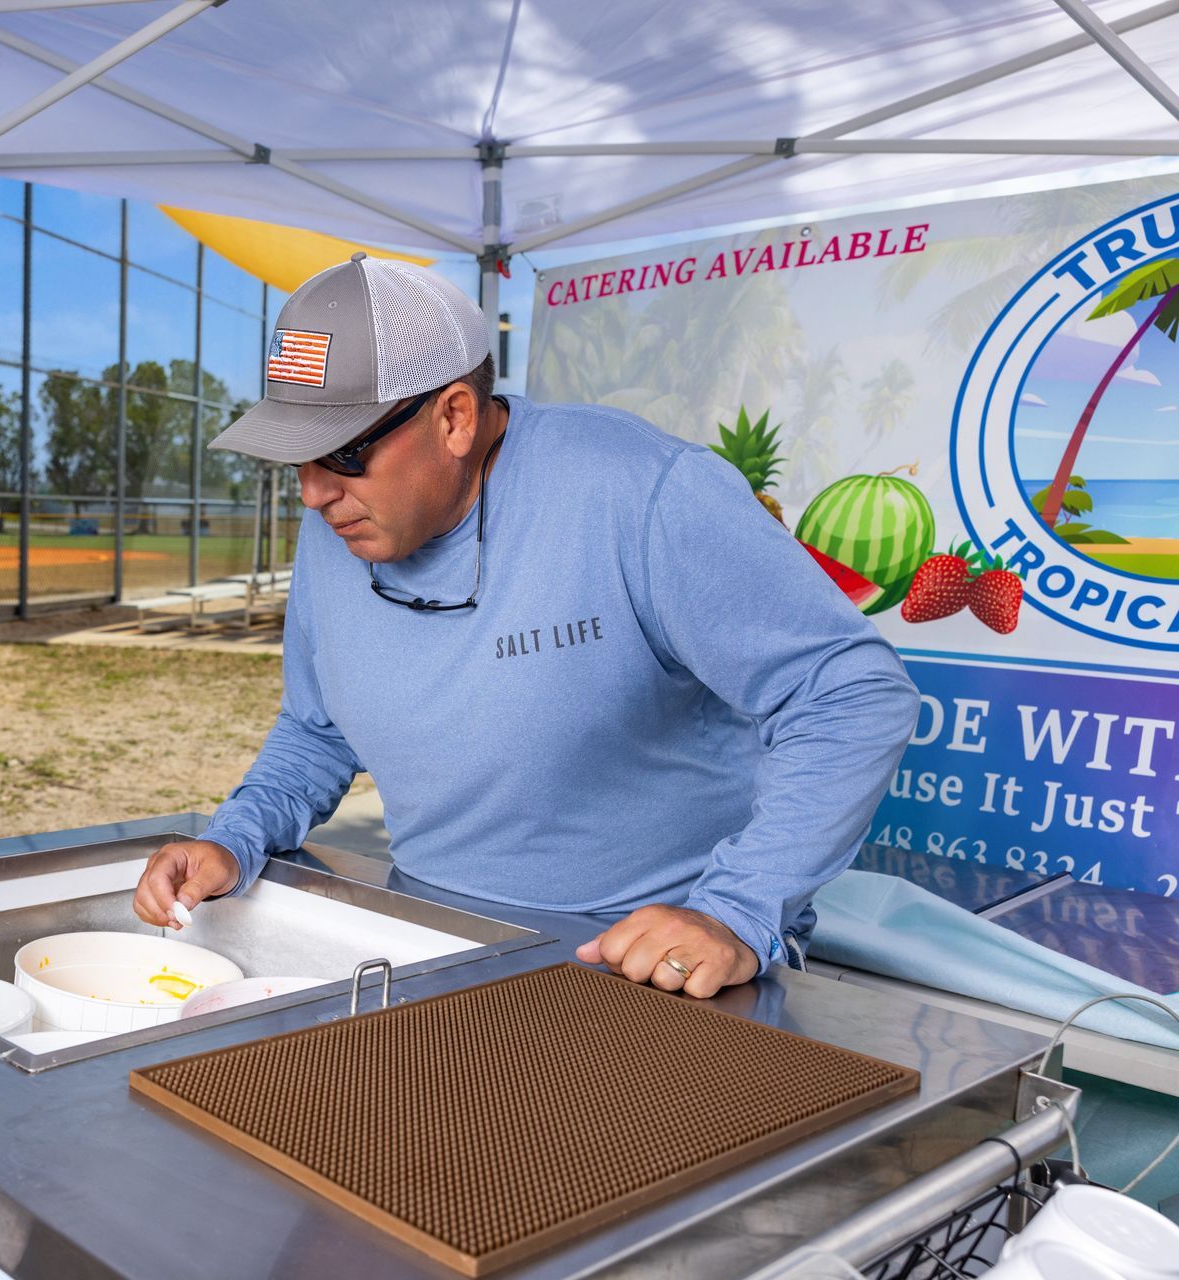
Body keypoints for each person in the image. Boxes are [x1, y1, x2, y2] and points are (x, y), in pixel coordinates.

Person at [133, 255, 920, 998]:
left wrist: (738, 910)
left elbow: (851, 695)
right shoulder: (338, 525)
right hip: (431, 933)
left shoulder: (636, 492)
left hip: (650, 963)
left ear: (454, 418)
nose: (311, 494)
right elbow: (315, 729)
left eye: (341, 453)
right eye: (294, 459)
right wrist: (234, 837)